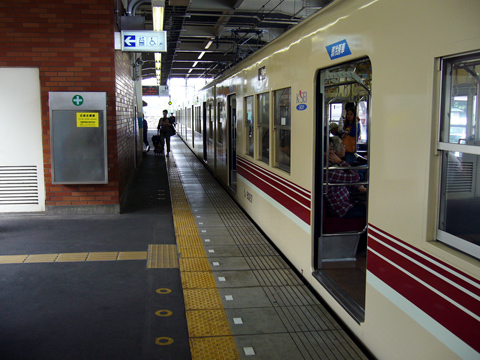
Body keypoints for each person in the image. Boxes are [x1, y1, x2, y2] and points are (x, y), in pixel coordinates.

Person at [324, 136, 366, 218]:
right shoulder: (329, 171)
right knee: (372, 214)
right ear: (324, 153)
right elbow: (355, 177)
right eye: (331, 149)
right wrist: (340, 161)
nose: (334, 152)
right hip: (343, 209)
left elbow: (346, 180)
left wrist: (358, 187)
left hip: (347, 202)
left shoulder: (331, 166)